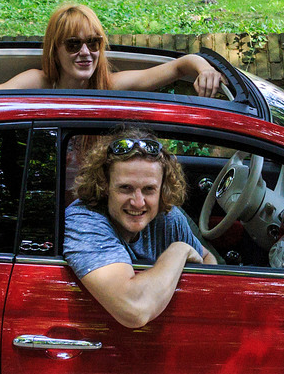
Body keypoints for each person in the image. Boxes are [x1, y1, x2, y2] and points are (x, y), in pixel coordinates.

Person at [64, 128, 217, 328]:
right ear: (104, 186)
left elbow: (208, 260)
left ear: (162, 189)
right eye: (125, 188)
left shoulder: (168, 217)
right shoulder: (84, 221)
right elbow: (135, 309)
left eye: (149, 189)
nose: (138, 202)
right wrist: (178, 250)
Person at [0, 3, 222, 96]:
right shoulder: (38, 82)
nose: (85, 52)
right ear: (55, 51)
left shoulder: (108, 86)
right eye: (73, 44)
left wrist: (205, 70)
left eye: (93, 43)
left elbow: (180, 66)